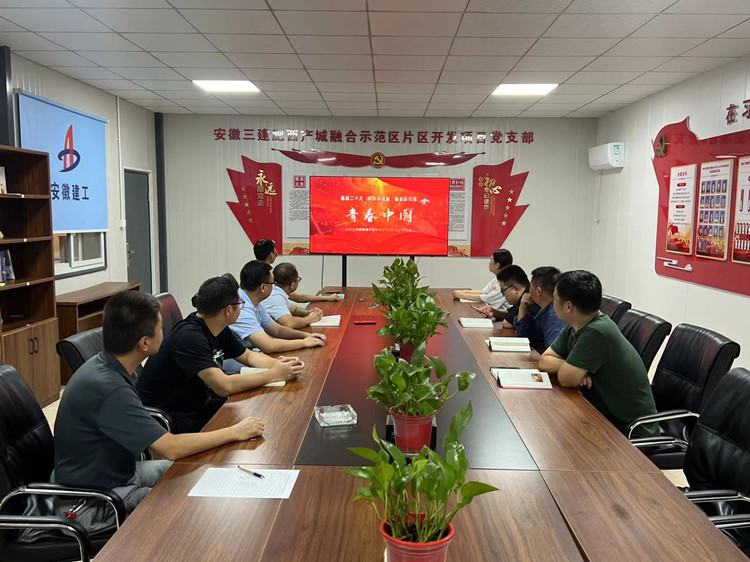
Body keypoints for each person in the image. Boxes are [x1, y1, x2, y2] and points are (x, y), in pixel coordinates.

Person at [54, 291, 269, 520]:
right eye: (160, 328)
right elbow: (168, 448)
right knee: (196, 506)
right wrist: (235, 432)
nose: (165, 333)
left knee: (202, 469)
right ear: (144, 343)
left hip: (120, 473)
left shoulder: (107, 366)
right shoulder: (110, 388)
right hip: (96, 501)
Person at [137, 276, 304, 433]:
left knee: (261, 414)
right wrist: (274, 374)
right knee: (256, 425)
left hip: (197, 403)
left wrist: (279, 365)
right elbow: (224, 386)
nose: (241, 308)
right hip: (170, 418)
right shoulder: (190, 337)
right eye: (240, 304)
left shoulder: (217, 327)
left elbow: (248, 356)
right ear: (229, 310)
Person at [539, 270, 659, 438]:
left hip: (629, 429)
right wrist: (573, 367)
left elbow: (566, 379)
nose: (553, 303)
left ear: (568, 306)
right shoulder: (577, 323)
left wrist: (572, 369)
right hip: (601, 414)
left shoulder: (596, 331)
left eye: (555, 299)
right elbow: (544, 361)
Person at [230, 260, 327, 358]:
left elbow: (277, 330)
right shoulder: (242, 309)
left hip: (251, 353)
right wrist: (304, 343)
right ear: (263, 287)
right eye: (272, 284)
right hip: (236, 360)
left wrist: (305, 335)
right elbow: (269, 345)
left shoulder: (254, 301)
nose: (274, 287)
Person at [254, 238, 339, 303]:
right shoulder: (269, 277)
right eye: (274, 250)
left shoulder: (253, 272)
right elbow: (297, 297)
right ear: (270, 254)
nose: (276, 252)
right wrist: (327, 298)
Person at [514, 266, 566, 353]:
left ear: (538, 291)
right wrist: (522, 308)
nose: (528, 291)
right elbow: (525, 335)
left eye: (530, 287)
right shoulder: (546, 309)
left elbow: (554, 353)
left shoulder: (555, 314)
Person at [262, 262, 325, 329]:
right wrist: (311, 318)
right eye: (298, 279)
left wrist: (309, 313)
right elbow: (290, 323)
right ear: (292, 285)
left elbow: (295, 310)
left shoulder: (277, 292)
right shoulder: (275, 298)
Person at [452, 248, 513, 312]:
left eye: (491, 259)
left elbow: (486, 298)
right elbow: (483, 292)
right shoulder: (497, 278)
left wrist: (462, 295)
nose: (489, 262)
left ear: (497, 265)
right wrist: (464, 291)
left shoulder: (506, 282)